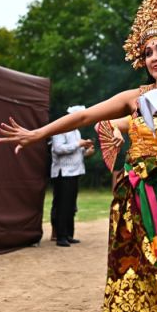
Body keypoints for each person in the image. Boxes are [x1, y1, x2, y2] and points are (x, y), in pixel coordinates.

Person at [0, 0, 157, 312]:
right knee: (135, 264)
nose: (153, 57)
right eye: (148, 51)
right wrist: (39, 133)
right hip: (133, 195)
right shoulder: (135, 98)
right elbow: (83, 117)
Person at [49, 105, 95, 247]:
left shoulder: (75, 131)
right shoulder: (60, 129)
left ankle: (68, 234)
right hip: (63, 173)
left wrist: (86, 151)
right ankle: (60, 236)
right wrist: (78, 144)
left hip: (75, 171)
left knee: (70, 205)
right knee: (62, 205)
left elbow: (76, 152)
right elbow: (58, 149)